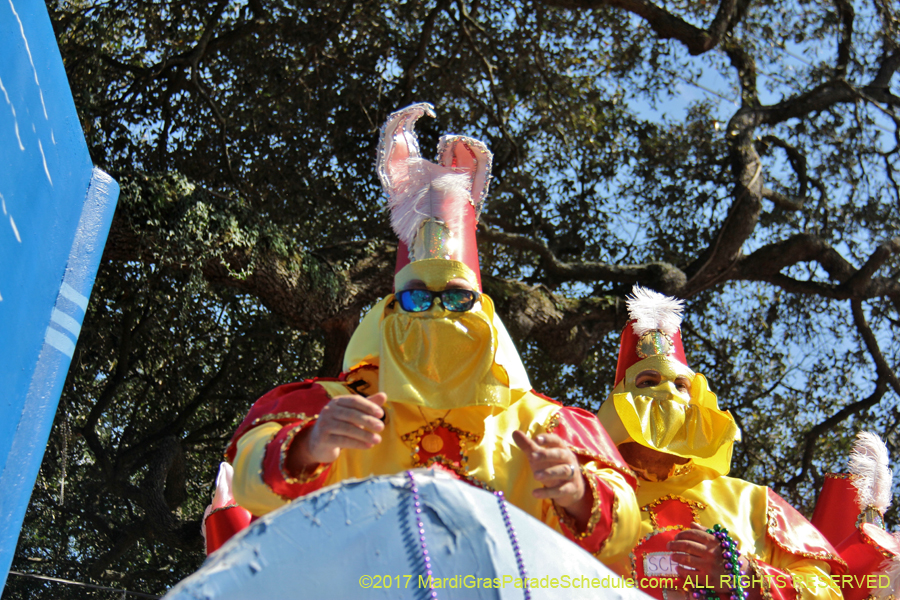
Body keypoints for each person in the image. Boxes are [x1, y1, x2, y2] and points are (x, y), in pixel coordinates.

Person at [221, 103, 640, 564]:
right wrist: (309, 445)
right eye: (417, 297)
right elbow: (247, 486)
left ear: (486, 313)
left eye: (458, 298)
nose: (438, 310)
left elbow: (624, 536)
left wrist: (578, 491)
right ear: (388, 312)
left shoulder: (546, 424)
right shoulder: (330, 406)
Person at [597, 285, 847, 600]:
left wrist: (744, 575)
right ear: (617, 402)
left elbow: (825, 591)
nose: (667, 394)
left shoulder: (754, 502)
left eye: (680, 385)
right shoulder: (589, 495)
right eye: (647, 383)